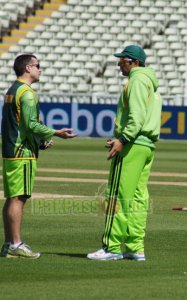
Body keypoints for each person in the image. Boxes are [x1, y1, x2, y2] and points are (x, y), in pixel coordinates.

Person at [87, 45, 162, 261]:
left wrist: (123, 139)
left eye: (122, 60)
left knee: (117, 196)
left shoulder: (137, 80)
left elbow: (136, 116)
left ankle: (111, 247)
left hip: (133, 145)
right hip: (146, 145)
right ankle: (135, 247)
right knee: (138, 198)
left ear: (133, 62)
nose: (119, 63)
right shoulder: (151, 82)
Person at [0, 54, 77, 259]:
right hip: (22, 153)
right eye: (38, 66)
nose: (40, 70)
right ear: (28, 68)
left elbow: (17, 124)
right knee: (19, 198)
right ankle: (16, 244)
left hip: (11, 150)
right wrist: (56, 133)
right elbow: (31, 124)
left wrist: (40, 142)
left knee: (12, 198)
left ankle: (9, 244)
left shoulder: (12, 90)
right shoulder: (27, 93)